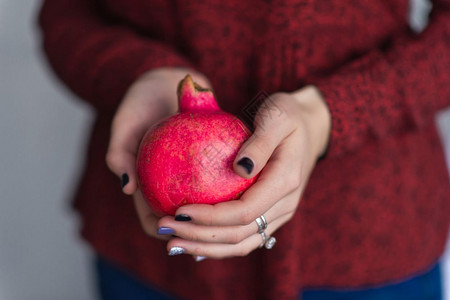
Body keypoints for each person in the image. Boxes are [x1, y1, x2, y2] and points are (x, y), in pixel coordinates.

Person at [38, 0, 450, 299]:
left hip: (367, 251)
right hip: (144, 259)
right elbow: (65, 13)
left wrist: (328, 113)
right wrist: (139, 70)